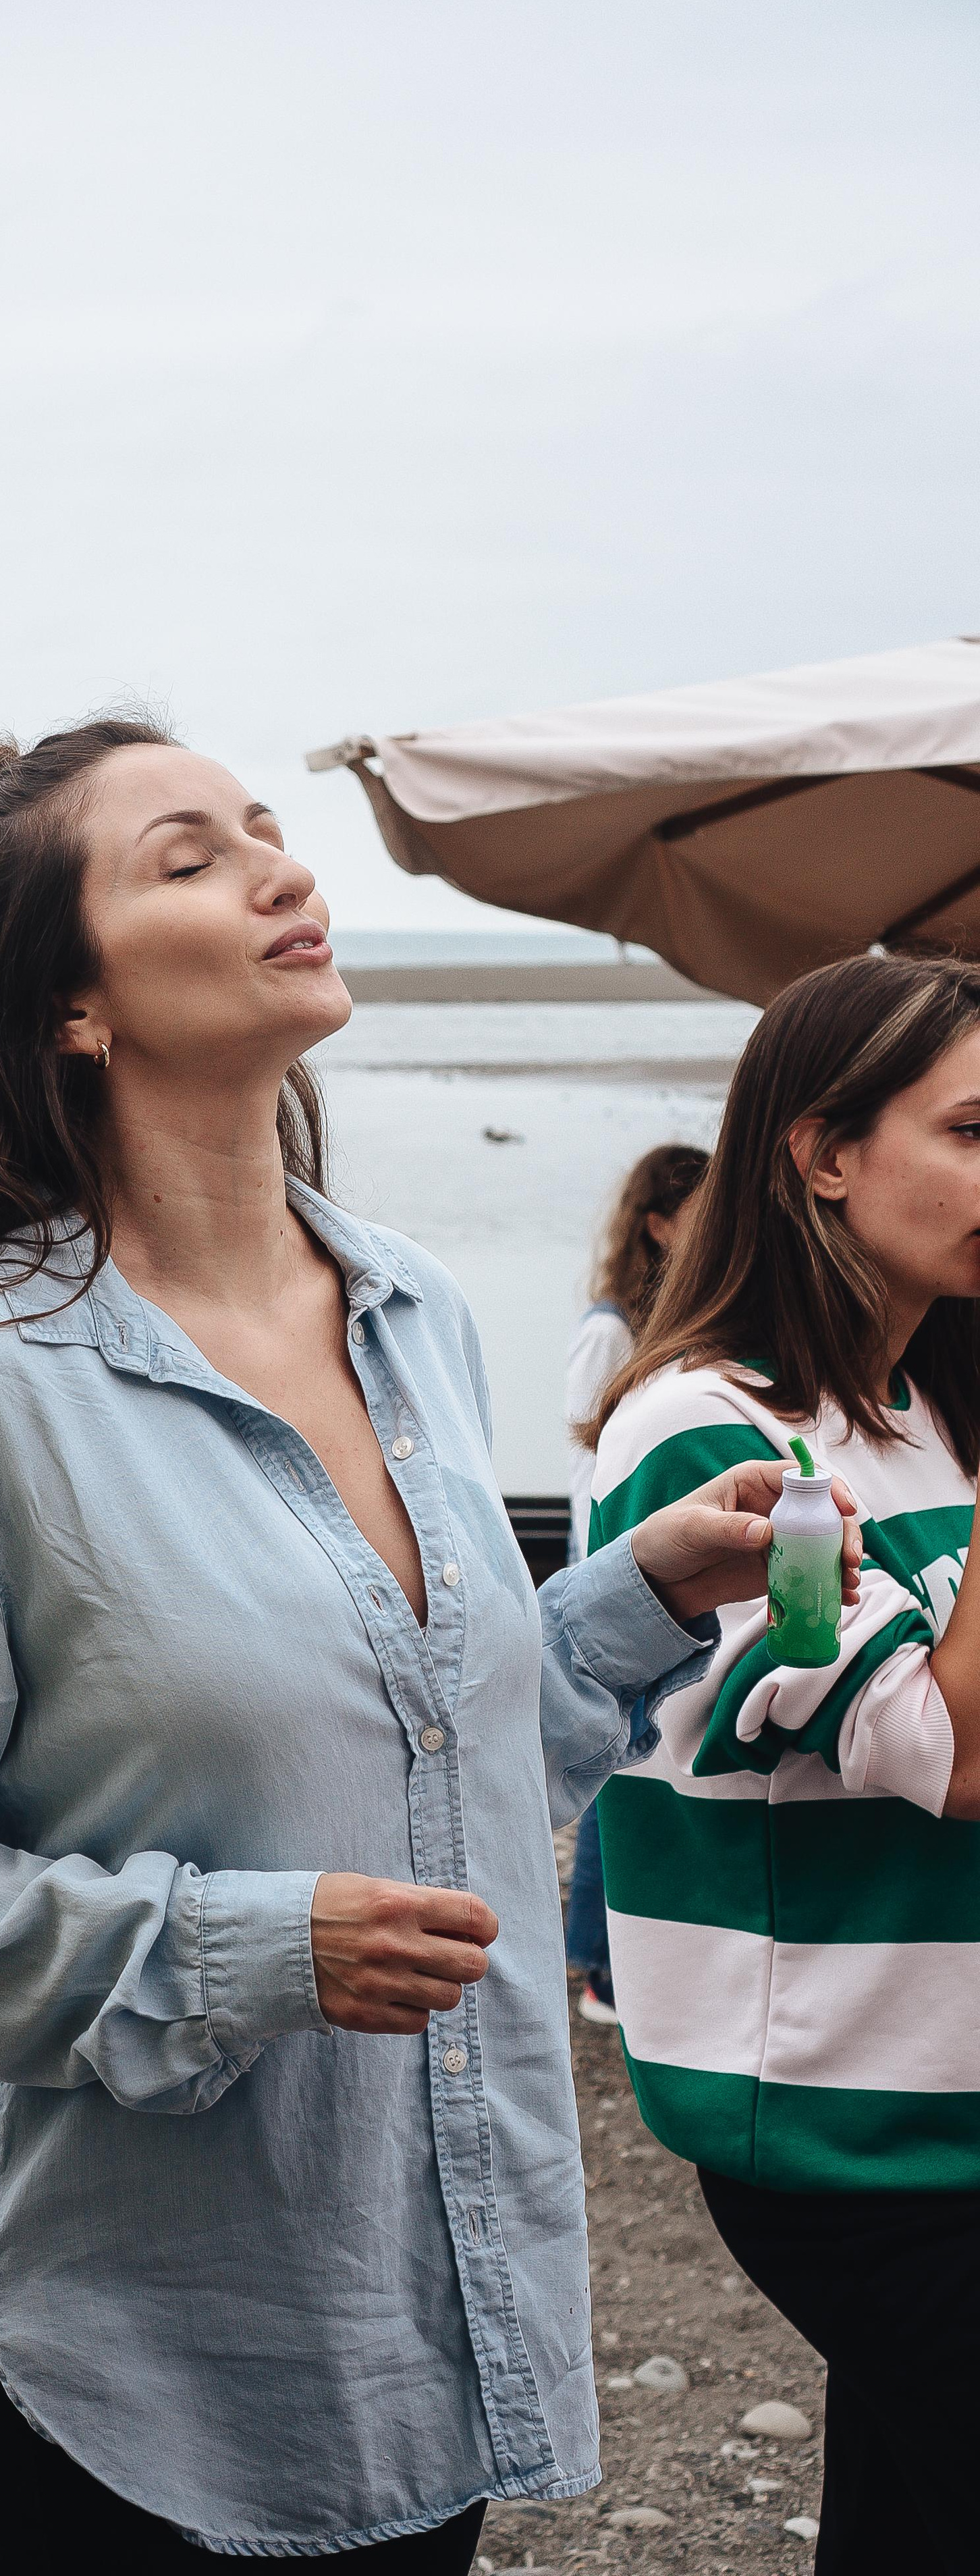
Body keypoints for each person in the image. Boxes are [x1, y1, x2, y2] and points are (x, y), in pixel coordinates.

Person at [0, 719, 852, 2571]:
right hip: (145, 2368)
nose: (282, 869)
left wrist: (613, 1616)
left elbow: (436, 1773)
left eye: (272, 830)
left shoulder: (414, 1306)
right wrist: (253, 1944)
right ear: (70, 1009)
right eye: (192, 858)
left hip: (425, 2303)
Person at [585, 953, 980, 2576]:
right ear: (819, 1151)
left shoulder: (930, 1405)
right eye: (970, 1128)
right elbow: (947, 1754)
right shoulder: (710, 1434)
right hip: (852, 2124)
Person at [563, 1144, 707, 2023]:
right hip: (612, 1566)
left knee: (631, 1756)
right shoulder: (612, 1329)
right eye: (700, 1210)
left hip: (638, 1565)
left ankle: (604, 1959)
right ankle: (595, 1967)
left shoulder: (663, 1323)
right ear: (658, 1222)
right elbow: (592, 1453)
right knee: (614, 1765)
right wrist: (609, 1570)